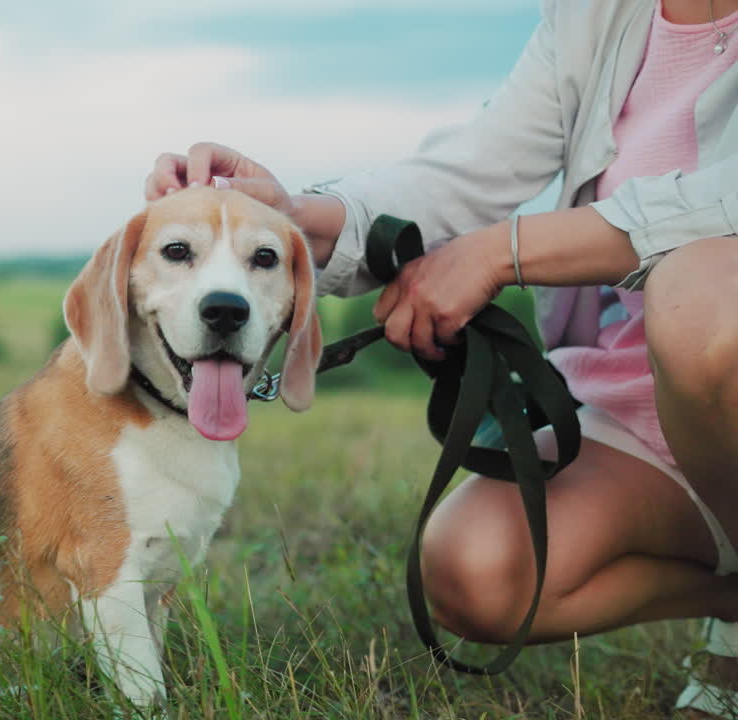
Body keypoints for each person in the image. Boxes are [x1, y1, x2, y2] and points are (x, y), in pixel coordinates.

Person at [145, 0, 738, 716]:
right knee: (476, 572)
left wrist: (502, 253)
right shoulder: (595, 14)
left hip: (719, 359)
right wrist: (298, 215)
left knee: (701, 302)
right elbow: (474, 169)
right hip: (647, 413)